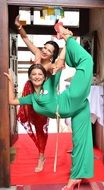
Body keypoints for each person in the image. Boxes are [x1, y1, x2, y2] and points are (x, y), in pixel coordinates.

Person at [5, 23, 94, 190]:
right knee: (80, 141)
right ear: (29, 77)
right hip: (78, 109)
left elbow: (60, 61)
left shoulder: (51, 76)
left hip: (71, 100)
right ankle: (76, 176)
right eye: (34, 75)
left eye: (40, 74)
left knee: (87, 61)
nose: (38, 76)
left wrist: (68, 41)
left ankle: (67, 35)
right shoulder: (30, 97)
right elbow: (12, 101)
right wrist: (10, 81)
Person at [15, 15, 66, 172]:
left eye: (49, 50)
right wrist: (18, 26)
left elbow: (60, 62)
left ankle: (41, 156)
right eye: (45, 47)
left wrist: (66, 39)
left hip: (41, 97)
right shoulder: (37, 54)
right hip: (27, 91)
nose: (45, 51)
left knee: (40, 127)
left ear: (52, 55)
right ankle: (40, 153)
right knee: (25, 118)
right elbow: (25, 38)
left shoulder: (51, 66)